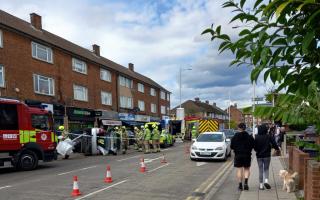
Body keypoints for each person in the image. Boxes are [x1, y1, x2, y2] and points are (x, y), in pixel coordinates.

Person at [254, 124, 280, 190]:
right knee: (266, 169)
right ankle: (266, 181)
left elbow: (255, 147)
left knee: (260, 169)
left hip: (259, 156)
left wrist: (257, 150)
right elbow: (274, 144)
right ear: (266, 130)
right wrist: (277, 148)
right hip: (267, 155)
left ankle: (261, 186)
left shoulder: (256, 137)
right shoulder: (269, 136)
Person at [231, 123, 255, 191]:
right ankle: (246, 184)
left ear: (239, 128)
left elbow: (231, 146)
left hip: (238, 155)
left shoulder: (235, 136)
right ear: (245, 128)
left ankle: (240, 185)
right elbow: (253, 145)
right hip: (247, 155)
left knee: (239, 170)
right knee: (246, 169)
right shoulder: (249, 136)